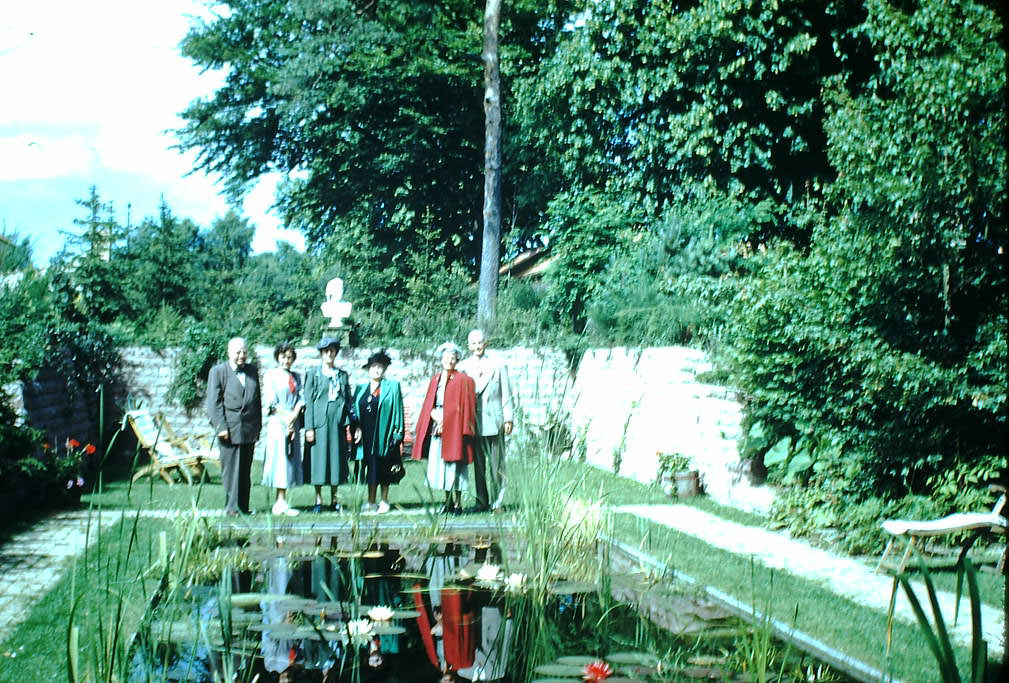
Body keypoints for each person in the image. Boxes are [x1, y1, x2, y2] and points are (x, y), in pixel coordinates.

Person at [412, 342, 476, 515]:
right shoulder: (436, 380)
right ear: (441, 360)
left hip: (454, 429)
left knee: (455, 466)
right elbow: (429, 404)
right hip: (438, 427)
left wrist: (446, 420)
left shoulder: (464, 380)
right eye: (446, 357)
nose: (449, 360)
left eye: (452, 358)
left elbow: (463, 408)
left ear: (457, 360)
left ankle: (457, 503)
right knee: (442, 467)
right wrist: (434, 416)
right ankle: (447, 501)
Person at [457, 329, 514, 512]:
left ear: (486, 344)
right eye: (473, 343)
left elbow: (506, 393)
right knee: (479, 466)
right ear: (468, 346)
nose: (477, 346)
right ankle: (481, 501)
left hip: (495, 422)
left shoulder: (498, 365)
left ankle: (498, 501)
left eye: (480, 342)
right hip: (474, 423)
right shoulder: (463, 368)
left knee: (497, 465)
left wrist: (509, 418)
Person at [206, 337, 262, 516]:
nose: (242, 355)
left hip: (249, 429)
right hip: (229, 429)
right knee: (231, 470)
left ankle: (243, 507)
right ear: (229, 353)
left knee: (245, 470)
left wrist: (258, 427)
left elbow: (257, 400)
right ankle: (231, 508)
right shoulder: (218, 371)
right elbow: (213, 403)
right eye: (238, 352)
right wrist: (220, 426)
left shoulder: (252, 371)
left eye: (244, 352)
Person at [303, 337, 360, 512]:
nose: (329, 354)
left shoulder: (342, 375)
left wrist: (354, 425)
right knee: (318, 461)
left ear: (336, 353)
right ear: (321, 353)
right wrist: (309, 427)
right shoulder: (313, 374)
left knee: (336, 460)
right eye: (326, 351)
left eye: (333, 350)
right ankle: (318, 500)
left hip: (337, 423)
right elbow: (308, 401)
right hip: (319, 424)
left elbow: (349, 401)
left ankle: (335, 500)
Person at [353, 350, 405, 514]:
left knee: (384, 466)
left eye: (379, 367)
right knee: (370, 466)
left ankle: (384, 500)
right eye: (373, 366)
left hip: (385, 433)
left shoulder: (392, 387)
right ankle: (370, 501)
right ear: (368, 369)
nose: (376, 370)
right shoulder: (361, 389)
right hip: (367, 435)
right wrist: (357, 428)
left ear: (384, 369)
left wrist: (398, 433)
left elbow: (398, 410)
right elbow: (354, 411)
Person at [261, 342, 305, 516]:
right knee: (280, 459)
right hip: (278, 422)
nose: (286, 360)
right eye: (283, 357)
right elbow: (271, 401)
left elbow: (300, 399)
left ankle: (284, 500)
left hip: (292, 421)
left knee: (290, 460)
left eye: (289, 357)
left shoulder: (296, 377)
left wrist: (293, 416)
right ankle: (279, 502)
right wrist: (285, 418)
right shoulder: (271, 375)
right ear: (277, 357)